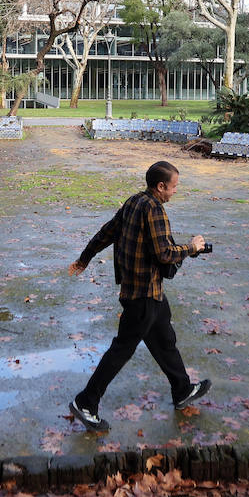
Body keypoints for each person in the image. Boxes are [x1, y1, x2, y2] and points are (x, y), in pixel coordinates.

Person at [66, 160, 211, 432]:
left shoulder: (133, 202)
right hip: (142, 295)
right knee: (122, 349)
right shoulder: (154, 210)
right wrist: (192, 248)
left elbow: (105, 233)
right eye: (174, 187)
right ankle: (86, 402)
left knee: (165, 340)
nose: (175, 191)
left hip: (147, 292)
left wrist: (84, 258)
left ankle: (182, 390)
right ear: (160, 186)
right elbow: (164, 255)